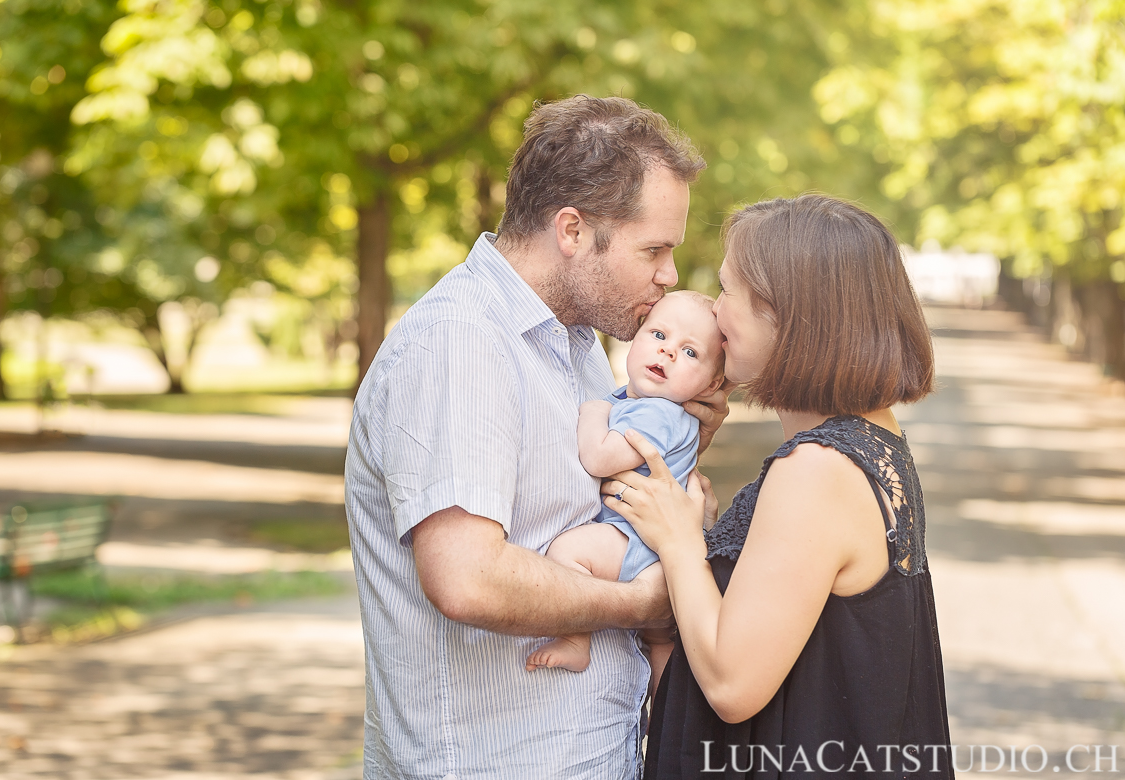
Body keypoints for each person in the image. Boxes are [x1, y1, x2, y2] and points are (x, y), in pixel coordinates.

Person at [344, 95, 728, 780]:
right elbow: (469, 579)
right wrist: (639, 604)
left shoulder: (576, 341)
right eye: (655, 250)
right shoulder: (461, 346)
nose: (669, 275)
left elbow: (590, 505)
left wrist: (679, 443)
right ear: (572, 230)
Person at [603, 195, 953, 778]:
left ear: (787, 315)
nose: (715, 312)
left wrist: (681, 541)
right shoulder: (870, 441)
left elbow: (733, 682)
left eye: (728, 291)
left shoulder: (817, 470)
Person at [525, 290, 725, 695]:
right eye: (658, 335)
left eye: (690, 353)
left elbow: (600, 459)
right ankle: (665, 709)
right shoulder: (645, 402)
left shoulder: (660, 414)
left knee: (568, 551)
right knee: (661, 640)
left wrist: (593, 412)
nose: (667, 352)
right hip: (652, 544)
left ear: (712, 383)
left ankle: (576, 639)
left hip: (637, 541)